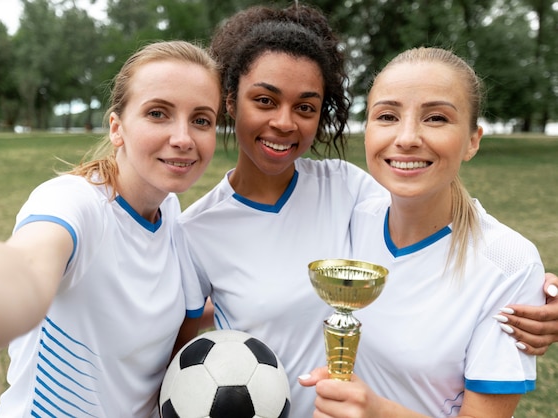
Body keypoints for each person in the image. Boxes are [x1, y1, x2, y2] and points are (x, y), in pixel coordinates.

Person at [175, 4, 558, 418]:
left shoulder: (350, 192)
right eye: (265, 100)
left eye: (305, 106)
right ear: (230, 101)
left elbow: (442, 233)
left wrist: (533, 283)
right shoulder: (195, 227)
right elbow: (182, 322)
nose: (284, 122)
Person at [0, 40, 221, 417]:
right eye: (158, 113)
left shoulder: (169, 213)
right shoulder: (75, 203)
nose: (184, 138)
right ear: (117, 128)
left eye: (201, 120)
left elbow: (164, 315)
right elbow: (25, 268)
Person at [299, 46, 545, 417]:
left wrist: (377, 412)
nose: (407, 137)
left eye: (435, 118)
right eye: (387, 116)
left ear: (473, 140)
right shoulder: (347, 218)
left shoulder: (509, 263)